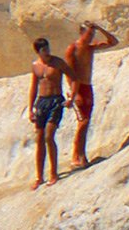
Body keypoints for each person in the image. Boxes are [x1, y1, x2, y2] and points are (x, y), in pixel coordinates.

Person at [64, 20, 119, 170]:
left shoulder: (90, 48)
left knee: (86, 121)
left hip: (87, 86)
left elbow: (113, 42)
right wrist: (74, 94)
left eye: (92, 34)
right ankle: (76, 156)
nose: (90, 37)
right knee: (82, 122)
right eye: (89, 34)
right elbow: (69, 72)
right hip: (78, 87)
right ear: (82, 33)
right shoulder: (73, 48)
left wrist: (100, 28)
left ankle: (82, 155)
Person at [26, 37, 73, 188]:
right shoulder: (36, 66)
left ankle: (53, 173)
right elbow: (34, 87)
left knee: (48, 136)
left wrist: (72, 95)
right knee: (39, 138)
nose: (47, 52)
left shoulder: (57, 62)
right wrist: (31, 108)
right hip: (42, 101)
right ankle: (39, 176)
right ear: (38, 52)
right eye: (44, 50)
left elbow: (71, 76)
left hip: (56, 101)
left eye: (48, 48)